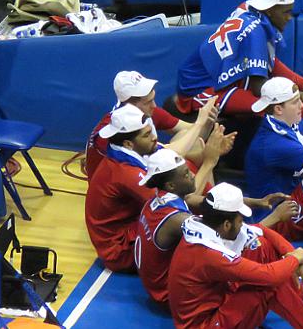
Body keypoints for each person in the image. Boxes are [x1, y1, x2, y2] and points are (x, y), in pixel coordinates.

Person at [168, 183, 303, 329]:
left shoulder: (204, 223)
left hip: (215, 304)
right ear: (226, 224)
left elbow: (260, 230)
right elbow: (270, 276)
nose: (242, 225)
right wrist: (296, 258)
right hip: (205, 325)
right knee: (269, 285)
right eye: (240, 221)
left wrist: (293, 255)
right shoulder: (207, 254)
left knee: (263, 247)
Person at [134, 147, 295, 305]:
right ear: (171, 185)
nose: (192, 175)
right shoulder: (177, 219)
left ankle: (290, 280)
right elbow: (230, 231)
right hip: (169, 295)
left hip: (156, 285)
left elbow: (207, 203)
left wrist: (257, 202)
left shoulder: (158, 200)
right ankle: (290, 281)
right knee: (254, 245)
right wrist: (276, 217)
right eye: (186, 174)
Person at [85, 103, 226, 272]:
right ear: (129, 143)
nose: (154, 137)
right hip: (121, 251)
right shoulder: (127, 173)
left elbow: (180, 159)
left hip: (131, 224)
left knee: (186, 167)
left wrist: (210, 153)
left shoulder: (127, 150)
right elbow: (181, 202)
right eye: (146, 135)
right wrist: (209, 162)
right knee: (194, 229)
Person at [176, 0, 303, 115]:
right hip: (198, 90)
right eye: (286, 12)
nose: (289, 18)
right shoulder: (255, 33)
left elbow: (270, 64)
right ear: (269, 10)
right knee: (272, 108)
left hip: (212, 78)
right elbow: (259, 87)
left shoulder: (248, 8)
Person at [85, 70, 219, 180]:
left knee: (194, 144)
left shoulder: (147, 111)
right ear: (130, 103)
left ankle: (210, 202)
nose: (154, 106)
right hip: (120, 191)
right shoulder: (116, 131)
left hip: (137, 175)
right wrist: (200, 124)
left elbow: (194, 136)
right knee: (187, 168)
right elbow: (170, 155)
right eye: (148, 102)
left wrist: (207, 122)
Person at [245, 77, 303, 241]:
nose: (302, 106)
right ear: (278, 109)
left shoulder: (292, 124)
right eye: (295, 102)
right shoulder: (272, 143)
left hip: (293, 203)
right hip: (278, 220)